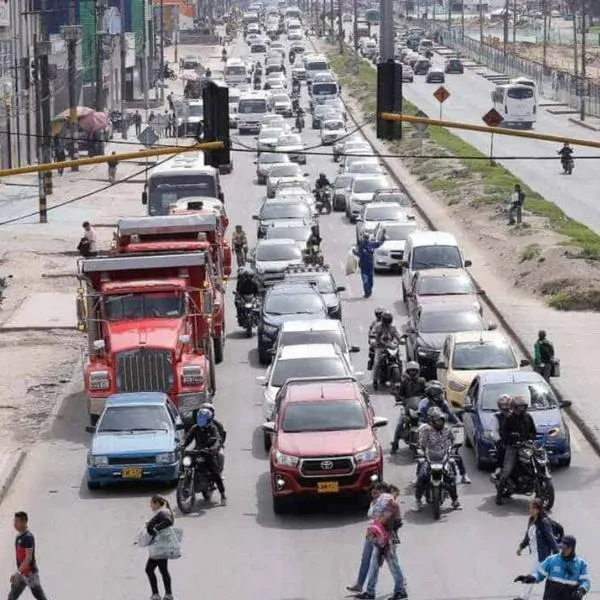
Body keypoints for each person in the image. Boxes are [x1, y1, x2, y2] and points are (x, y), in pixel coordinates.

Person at [355, 484, 407, 600]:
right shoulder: (386, 501)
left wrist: (377, 527)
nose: (375, 495)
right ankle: (371, 592)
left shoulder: (389, 502)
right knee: (376, 564)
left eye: (377, 492)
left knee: (391, 564)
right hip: (381, 537)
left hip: (386, 538)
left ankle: (400, 590)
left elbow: (384, 518)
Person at [418, 381, 471, 484]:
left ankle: (464, 475)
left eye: (441, 394)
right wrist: (423, 426)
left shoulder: (444, 404)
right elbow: (421, 420)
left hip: (443, 432)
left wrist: (459, 423)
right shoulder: (425, 406)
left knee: (455, 453)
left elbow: (451, 415)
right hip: (431, 435)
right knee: (423, 457)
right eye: (439, 394)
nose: (441, 396)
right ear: (432, 396)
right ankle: (418, 477)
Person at [514, 535, 590, 600]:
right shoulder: (552, 560)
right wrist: (530, 578)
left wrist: (581, 590)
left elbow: (586, 582)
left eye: (566, 548)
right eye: (561, 547)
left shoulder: (580, 564)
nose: (563, 550)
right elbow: (539, 573)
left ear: (572, 548)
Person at [346, 483, 390, 594]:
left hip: (381, 537)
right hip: (370, 535)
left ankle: (400, 583)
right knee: (365, 560)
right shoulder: (372, 503)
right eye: (373, 491)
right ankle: (359, 585)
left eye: (377, 491)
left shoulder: (386, 504)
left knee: (389, 561)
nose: (374, 493)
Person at [415, 407, 461, 511]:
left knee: (451, 479)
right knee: (421, 478)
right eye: (437, 420)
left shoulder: (447, 429)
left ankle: (455, 501)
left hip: (443, 457)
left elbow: (453, 441)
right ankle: (418, 501)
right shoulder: (425, 430)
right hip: (430, 457)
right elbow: (421, 444)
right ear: (431, 421)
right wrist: (421, 451)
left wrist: (453, 449)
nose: (439, 422)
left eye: (441, 420)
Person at [180, 406, 227, 505]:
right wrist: (183, 446)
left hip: (208, 452)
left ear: (209, 419)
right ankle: (185, 482)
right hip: (197, 450)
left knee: (215, 472)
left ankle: (223, 494)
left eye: (203, 419)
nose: (201, 421)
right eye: (200, 418)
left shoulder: (213, 428)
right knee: (185, 462)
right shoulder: (195, 428)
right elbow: (188, 439)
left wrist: (213, 448)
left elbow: (217, 439)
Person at [515, 499, 560, 600]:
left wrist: (558, 554)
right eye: (530, 507)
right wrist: (521, 547)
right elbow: (528, 536)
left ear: (538, 510)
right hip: (534, 554)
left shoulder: (544, 522)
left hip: (542, 555)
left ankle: (523, 597)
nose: (530, 510)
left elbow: (550, 538)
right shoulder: (531, 520)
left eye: (533, 508)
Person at [496, 395, 537, 505]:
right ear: (514, 407)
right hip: (513, 447)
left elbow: (533, 431)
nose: (521, 409)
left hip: (526, 446)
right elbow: (503, 433)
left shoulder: (528, 417)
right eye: (519, 407)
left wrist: (531, 440)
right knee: (507, 470)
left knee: (537, 460)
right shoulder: (509, 419)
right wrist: (512, 440)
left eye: (523, 407)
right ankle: (499, 495)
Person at [7, 511, 49, 600]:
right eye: (14, 521)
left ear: (24, 522)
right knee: (11, 597)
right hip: (22, 575)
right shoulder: (19, 536)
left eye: (17, 521)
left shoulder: (28, 537)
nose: (14, 524)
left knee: (41, 598)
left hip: (30, 575)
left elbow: (28, 559)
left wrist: (17, 573)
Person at [390, 361, 427, 454]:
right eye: (410, 371)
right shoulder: (404, 382)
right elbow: (400, 394)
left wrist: (424, 398)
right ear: (407, 371)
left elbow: (426, 393)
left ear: (418, 371)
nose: (412, 373)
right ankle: (395, 445)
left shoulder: (422, 381)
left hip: (419, 407)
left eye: (414, 371)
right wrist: (401, 398)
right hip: (408, 407)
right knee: (399, 424)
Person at [145, 496, 175, 600]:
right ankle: (167, 594)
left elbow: (168, 521)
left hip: (159, 547)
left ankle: (157, 594)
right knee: (163, 570)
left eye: (152, 503)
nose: (150, 505)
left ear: (157, 503)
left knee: (149, 569)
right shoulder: (163, 512)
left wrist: (155, 529)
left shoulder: (163, 512)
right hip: (161, 546)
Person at [372, 311, 403, 385]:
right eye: (385, 321)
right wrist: (374, 341)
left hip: (391, 346)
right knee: (376, 362)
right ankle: (375, 380)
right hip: (380, 347)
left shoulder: (393, 327)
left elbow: (398, 335)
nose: (386, 323)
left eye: (388, 322)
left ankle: (401, 377)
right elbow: (372, 335)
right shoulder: (377, 326)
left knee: (400, 360)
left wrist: (401, 340)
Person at [353, 232, 385, 298]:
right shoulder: (370, 244)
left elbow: (359, 254)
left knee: (366, 280)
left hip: (365, 266)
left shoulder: (362, 245)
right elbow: (379, 244)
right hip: (368, 265)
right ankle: (368, 292)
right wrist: (383, 238)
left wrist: (354, 252)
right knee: (369, 280)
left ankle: (368, 292)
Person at [492, 394, 512, 478]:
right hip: (503, 440)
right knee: (501, 450)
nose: (505, 407)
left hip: (514, 439)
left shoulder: (514, 415)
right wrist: (499, 440)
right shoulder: (497, 416)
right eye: (503, 405)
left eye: (507, 405)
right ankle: (499, 468)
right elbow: (494, 431)